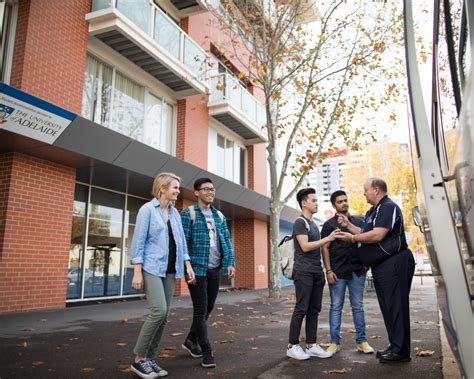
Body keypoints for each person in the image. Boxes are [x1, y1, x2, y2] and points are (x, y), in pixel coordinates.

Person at [334, 178, 415, 363]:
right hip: (382, 266)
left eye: (366, 190)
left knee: (396, 307)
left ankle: (401, 352)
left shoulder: (387, 207)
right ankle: (396, 345)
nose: (364, 194)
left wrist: (352, 239)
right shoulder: (374, 211)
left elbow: (377, 235)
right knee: (388, 307)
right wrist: (348, 226)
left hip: (394, 263)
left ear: (376, 190)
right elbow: (363, 230)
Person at [130, 173, 196, 378]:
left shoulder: (175, 213)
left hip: (169, 269)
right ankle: (139, 359)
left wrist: (187, 265)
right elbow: (138, 242)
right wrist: (137, 272)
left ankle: (150, 359)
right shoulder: (147, 210)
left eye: (178, 188)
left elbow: (182, 243)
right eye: (174, 187)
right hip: (151, 267)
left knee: (165, 315)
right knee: (158, 311)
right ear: (162, 189)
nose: (177, 191)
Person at [180, 178, 236, 368]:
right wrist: (186, 267)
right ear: (196, 193)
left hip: (214, 268)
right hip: (197, 269)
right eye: (206, 189)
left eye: (212, 189)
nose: (211, 192)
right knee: (201, 308)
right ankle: (206, 350)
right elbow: (183, 243)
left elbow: (226, 241)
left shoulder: (218, 215)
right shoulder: (188, 214)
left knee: (209, 306)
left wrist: (230, 261)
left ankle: (190, 339)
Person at [286, 187, 338, 360]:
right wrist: (328, 238)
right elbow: (305, 246)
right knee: (301, 308)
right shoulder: (300, 222)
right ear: (304, 203)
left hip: (316, 272)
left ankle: (311, 344)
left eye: (317, 200)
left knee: (314, 309)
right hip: (304, 272)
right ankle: (292, 345)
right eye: (314, 200)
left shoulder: (313, 223)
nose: (317, 203)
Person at [321, 190, 374, 356]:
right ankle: (334, 343)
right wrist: (328, 270)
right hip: (337, 272)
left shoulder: (358, 222)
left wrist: (366, 263)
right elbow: (325, 248)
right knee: (336, 307)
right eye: (339, 201)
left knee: (358, 306)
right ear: (334, 205)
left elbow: (367, 241)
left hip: (357, 271)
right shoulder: (329, 225)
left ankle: (362, 341)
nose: (344, 203)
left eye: (345, 200)